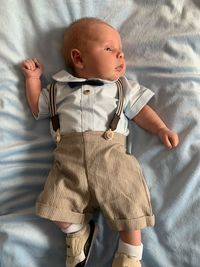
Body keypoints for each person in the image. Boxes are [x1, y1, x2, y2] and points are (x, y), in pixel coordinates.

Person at [21, 17, 179, 267]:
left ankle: (129, 255)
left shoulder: (121, 88)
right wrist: (33, 80)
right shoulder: (58, 89)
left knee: (129, 202)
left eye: (122, 52)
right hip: (68, 164)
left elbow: (140, 111)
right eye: (110, 49)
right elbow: (37, 108)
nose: (120, 56)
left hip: (110, 159)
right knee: (53, 206)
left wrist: (160, 128)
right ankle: (77, 233)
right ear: (79, 58)